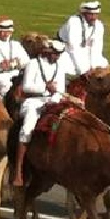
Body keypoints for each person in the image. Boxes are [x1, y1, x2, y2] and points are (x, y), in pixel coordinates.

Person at [13, 40, 72, 186]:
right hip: (33, 101)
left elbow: (61, 90)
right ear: (47, 52)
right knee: (27, 128)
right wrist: (45, 88)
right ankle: (18, 170)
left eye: (58, 55)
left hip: (51, 101)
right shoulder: (33, 64)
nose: (56, 57)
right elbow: (27, 86)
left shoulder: (60, 66)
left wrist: (54, 98)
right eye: (54, 54)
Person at [58, 0, 107, 75]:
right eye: (90, 14)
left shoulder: (99, 25)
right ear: (83, 14)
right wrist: (83, 71)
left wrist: (94, 67)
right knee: (69, 68)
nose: (93, 17)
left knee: (103, 64)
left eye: (96, 14)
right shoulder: (74, 22)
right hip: (66, 51)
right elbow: (74, 48)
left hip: (84, 51)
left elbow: (97, 49)